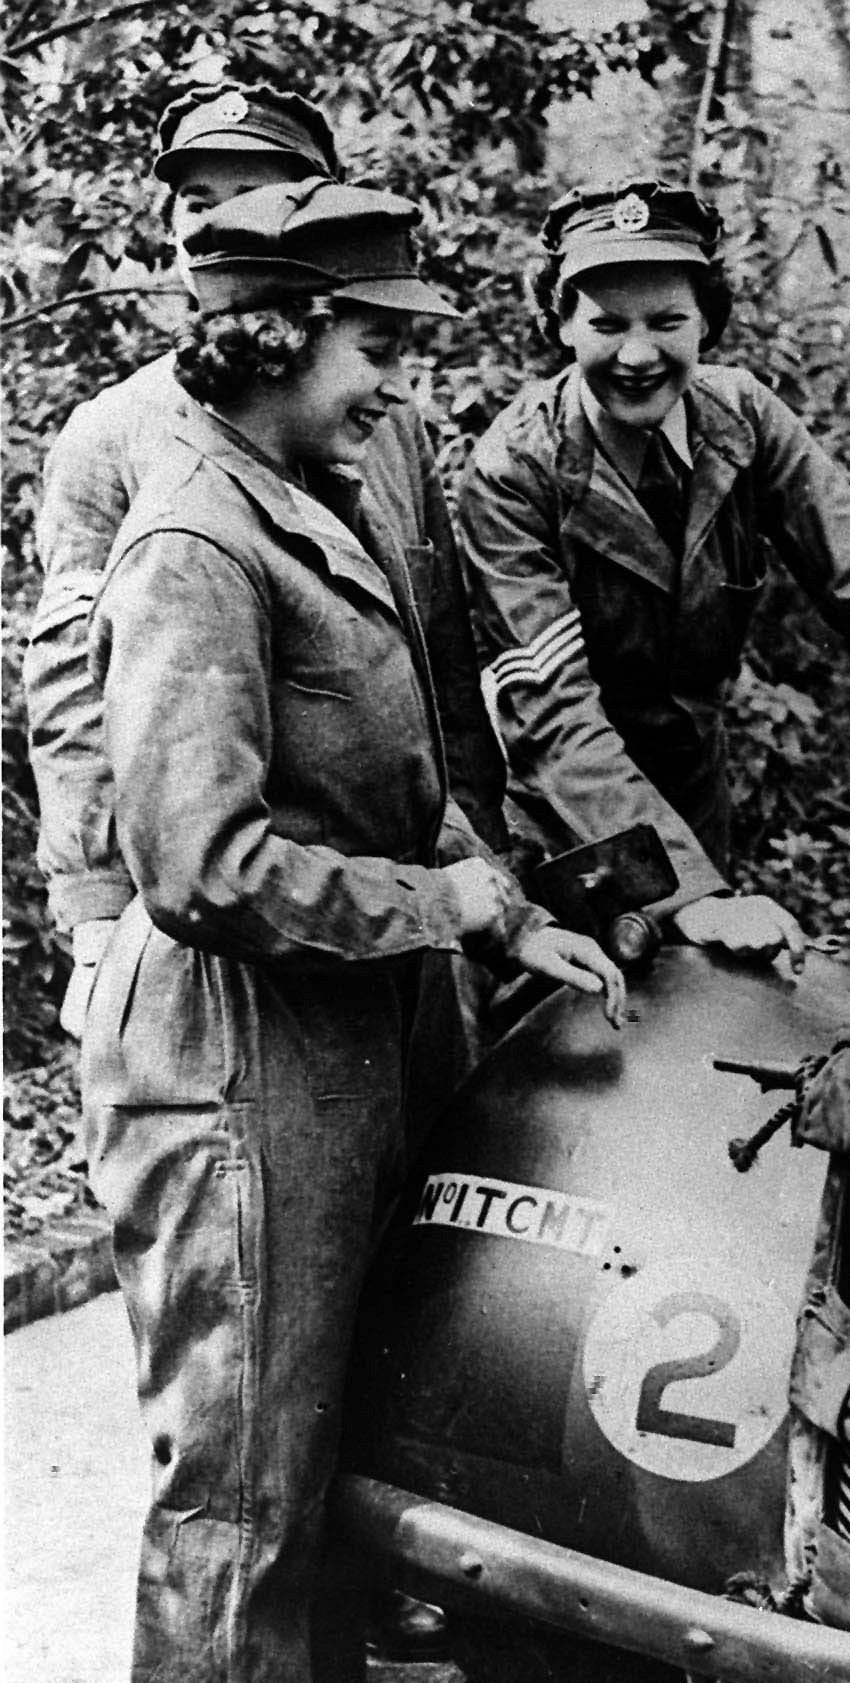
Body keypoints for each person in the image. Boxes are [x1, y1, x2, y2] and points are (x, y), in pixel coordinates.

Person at [80, 176, 627, 1683]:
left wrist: (503, 911)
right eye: (373, 345)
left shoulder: (310, 499)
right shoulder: (196, 539)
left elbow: (390, 786)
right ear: (276, 336)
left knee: (327, 1479)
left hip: (346, 1033)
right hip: (236, 1065)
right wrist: (438, 909)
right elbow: (199, 864)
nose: (395, 382)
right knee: (241, 1503)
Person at [24, 83, 505, 1045]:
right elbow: (74, 689)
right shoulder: (114, 434)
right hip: (230, 919)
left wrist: (480, 864)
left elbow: (432, 645)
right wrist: (93, 919)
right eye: (198, 200)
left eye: (259, 192)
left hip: (390, 897)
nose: (222, 219)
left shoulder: (378, 418)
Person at [458, 179, 850, 969]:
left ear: (708, 321)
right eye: (606, 324)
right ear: (562, 326)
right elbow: (551, 716)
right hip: (564, 821)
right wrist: (691, 896)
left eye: (668, 321)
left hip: (693, 800)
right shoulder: (513, 470)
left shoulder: (742, 419)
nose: (638, 355)